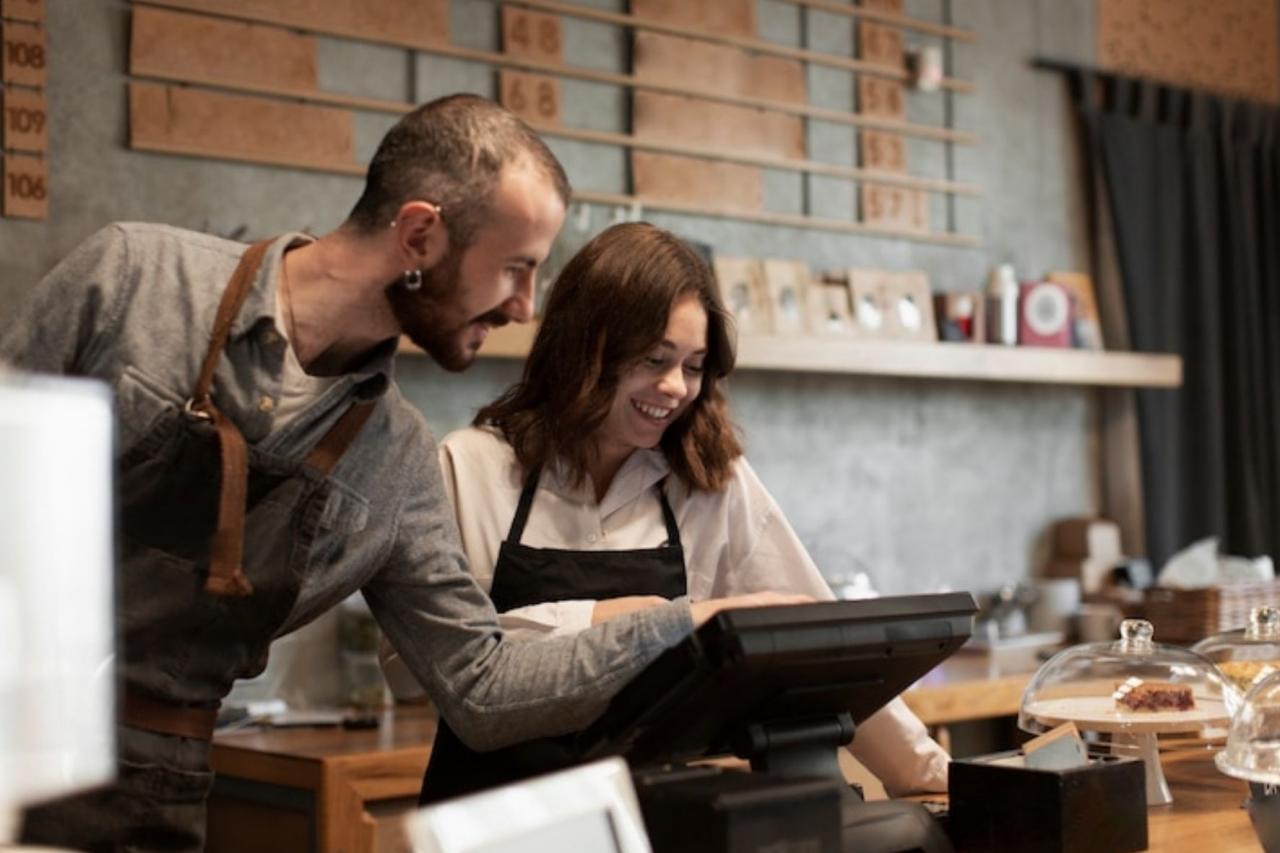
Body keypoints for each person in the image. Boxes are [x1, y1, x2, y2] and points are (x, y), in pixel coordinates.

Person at [0, 95, 795, 851]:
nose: (524, 307)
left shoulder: (398, 459)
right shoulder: (137, 281)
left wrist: (681, 624)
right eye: (516, 269)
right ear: (419, 238)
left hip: (157, 788)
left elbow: (479, 687)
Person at [382, 222, 951, 804]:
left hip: (653, 820)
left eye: (695, 365)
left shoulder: (709, 479)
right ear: (586, 346)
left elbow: (824, 645)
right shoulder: (470, 467)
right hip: (495, 822)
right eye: (655, 359)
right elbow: (414, 668)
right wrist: (643, 618)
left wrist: (930, 772)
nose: (676, 387)